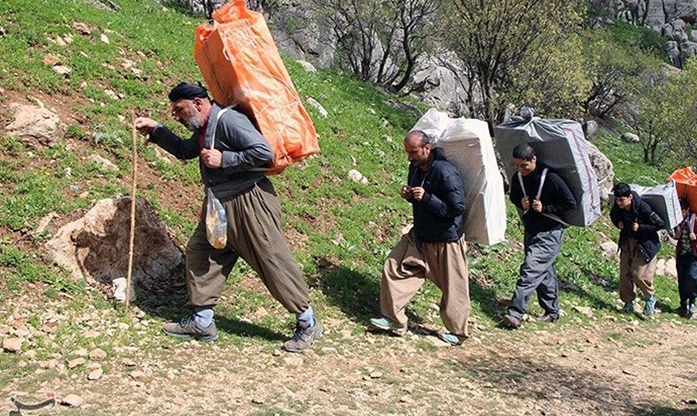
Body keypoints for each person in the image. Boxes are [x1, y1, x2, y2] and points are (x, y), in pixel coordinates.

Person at [133, 81, 322, 352]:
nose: (176, 116)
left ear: (197, 103)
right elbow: (187, 151)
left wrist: (225, 160)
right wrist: (157, 131)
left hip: (249, 201)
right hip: (219, 202)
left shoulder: (228, 119)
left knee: (271, 259)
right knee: (202, 252)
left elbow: (263, 151)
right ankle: (202, 320)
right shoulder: (204, 127)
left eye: (179, 110)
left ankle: (307, 322)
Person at [369, 130, 470, 346]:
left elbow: (457, 207)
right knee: (393, 266)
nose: (410, 157)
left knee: (454, 287)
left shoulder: (446, 172)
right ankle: (394, 320)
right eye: (407, 152)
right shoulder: (414, 169)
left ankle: (458, 333)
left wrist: (428, 198)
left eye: (413, 152)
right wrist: (410, 196)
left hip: (446, 240)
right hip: (420, 235)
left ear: (427, 147)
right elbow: (419, 199)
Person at [503, 142, 576, 328]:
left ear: (533, 159)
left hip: (550, 233)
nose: (521, 169)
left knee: (530, 270)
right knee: (544, 272)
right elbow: (513, 196)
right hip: (531, 231)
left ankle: (515, 313)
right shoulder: (518, 177)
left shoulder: (551, 178)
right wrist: (521, 202)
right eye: (517, 165)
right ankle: (552, 311)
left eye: (524, 165)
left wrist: (546, 208)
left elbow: (570, 203)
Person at [610, 182, 665, 317]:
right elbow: (613, 216)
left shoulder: (643, 207)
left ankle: (649, 298)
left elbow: (660, 224)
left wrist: (641, 228)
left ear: (630, 197)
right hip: (627, 242)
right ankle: (628, 303)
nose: (619, 203)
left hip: (645, 244)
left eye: (622, 200)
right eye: (617, 200)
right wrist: (618, 223)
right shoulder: (618, 208)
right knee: (625, 274)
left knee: (639, 274)